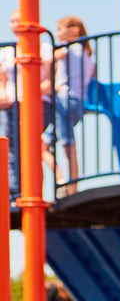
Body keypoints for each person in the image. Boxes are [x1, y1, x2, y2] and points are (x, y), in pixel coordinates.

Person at [1, 11, 54, 203]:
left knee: (31, 147)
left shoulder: (45, 48)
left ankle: (35, 192)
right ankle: (16, 192)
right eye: (12, 21)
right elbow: (2, 79)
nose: (15, 25)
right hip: (12, 104)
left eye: (19, 20)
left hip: (37, 104)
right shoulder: (7, 50)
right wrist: (3, 94)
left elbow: (50, 81)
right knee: (13, 150)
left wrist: (32, 93)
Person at [42, 16, 94, 195]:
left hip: (64, 99)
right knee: (44, 144)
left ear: (73, 29)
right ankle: (64, 181)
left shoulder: (68, 48)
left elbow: (48, 60)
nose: (56, 34)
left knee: (67, 144)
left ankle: (69, 186)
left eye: (59, 29)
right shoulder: (86, 53)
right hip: (78, 102)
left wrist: (50, 81)